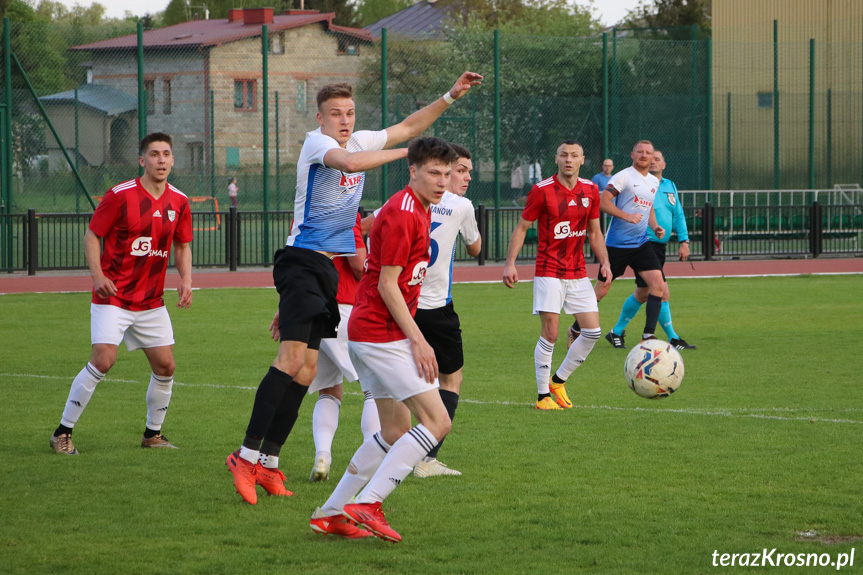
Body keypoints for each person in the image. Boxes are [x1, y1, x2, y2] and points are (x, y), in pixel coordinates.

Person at [225, 72, 482, 506]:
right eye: (336, 115)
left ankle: (269, 464)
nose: (344, 121)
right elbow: (352, 163)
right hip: (303, 261)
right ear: (320, 118)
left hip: (323, 274)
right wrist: (412, 155)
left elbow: (409, 126)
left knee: (307, 372)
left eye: (349, 114)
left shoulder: (361, 139)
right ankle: (245, 455)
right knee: (290, 362)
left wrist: (448, 95)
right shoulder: (317, 145)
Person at [310, 137, 458, 542]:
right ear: (413, 171)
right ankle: (370, 502)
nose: (441, 180)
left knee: (394, 432)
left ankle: (332, 512)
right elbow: (389, 286)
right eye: (433, 172)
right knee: (438, 421)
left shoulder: (420, 209)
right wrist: (418, 339)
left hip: (372, 333)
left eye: (447, 173)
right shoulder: (404, 214)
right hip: (381, 334)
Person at [49, 132, 193, 455]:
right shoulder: (119, 195)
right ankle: (62, 433)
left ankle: (152, 435)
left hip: (151, 301)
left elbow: (182, 245)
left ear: (172, 160)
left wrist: (186, 279)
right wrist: (97, 275)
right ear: (142, 160)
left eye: (166, 154)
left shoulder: (180, 201)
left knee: (166, 366)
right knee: (103, 359)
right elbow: (92, 235)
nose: (160, 160)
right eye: (154, 154)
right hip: (113, 295)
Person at [502, 141, 611, 411]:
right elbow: (522, 227)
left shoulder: (591, 190)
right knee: (550, 333)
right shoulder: (542, 191)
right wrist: (510, 263)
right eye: (564, 155)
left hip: (578, 272)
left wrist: (605, 263)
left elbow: (595, 232)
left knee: (593, 332)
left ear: (582, 160)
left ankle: (558, 380)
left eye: (574, 155)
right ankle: (542, 397)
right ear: (557, 159)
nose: (569, 160)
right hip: (549, 271)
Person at [412, 143, 481, 477]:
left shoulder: (407, 200)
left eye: (469, 171)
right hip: (436, 307)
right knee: (451, 378)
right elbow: (476, 247)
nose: (466, 177)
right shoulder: (461, 206)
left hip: (402, 305)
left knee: (396, 382)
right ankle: (426, 459)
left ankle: (385, 448)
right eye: (462, 170)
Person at [567, 140, 666, 347]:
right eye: (640, 152)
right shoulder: (624, 176)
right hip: (616, 246)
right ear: (632, 154)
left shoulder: (654, 182)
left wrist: (655, 226)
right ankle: (576, 328)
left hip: (641, 244)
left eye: (648, 153)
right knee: (602, 289)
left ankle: (648, 336)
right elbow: (603, 202)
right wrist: (626, 216)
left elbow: (649, 209)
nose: (644, 155)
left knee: (658, 285)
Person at [306, 212, 380, 483]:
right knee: (374, 386)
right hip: (344, 308)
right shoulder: (346, 212)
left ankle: (323, 455)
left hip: (313, 309)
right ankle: (372, 460)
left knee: (329, 390)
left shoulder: (306, 212)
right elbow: (359, 265)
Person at [605, 150, 696, 350]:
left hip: (658, 245)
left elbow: (678, 214)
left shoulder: (669, 185)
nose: (652, 161)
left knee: (645, 292)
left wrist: (684, 241)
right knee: (660, 289)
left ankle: (616, 332)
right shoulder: (634, 181)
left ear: (664, 164)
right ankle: (670, 337)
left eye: (657, 159)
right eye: (649, 158)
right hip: (643, 243)